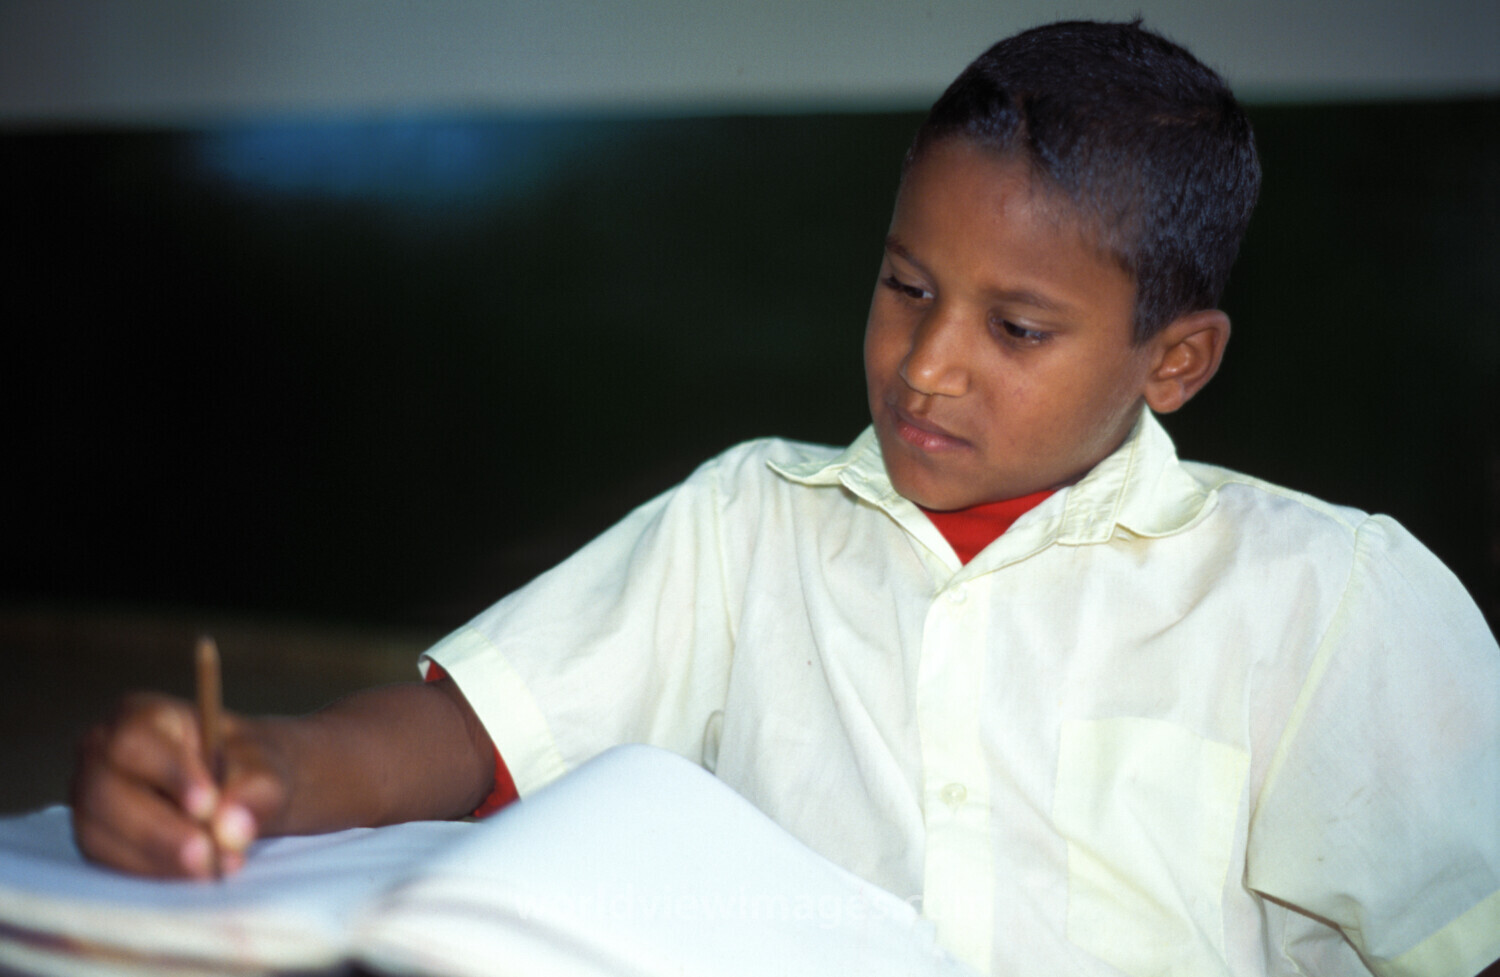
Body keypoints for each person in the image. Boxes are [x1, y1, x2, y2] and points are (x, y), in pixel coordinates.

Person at [69, 19, 1498, 977]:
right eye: (905, 287)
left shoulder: (1327, 599)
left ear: (1175, 361)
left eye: (1015, 328)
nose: (926, 363)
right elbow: (472, 730)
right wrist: (262, 772)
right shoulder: (747, 525)